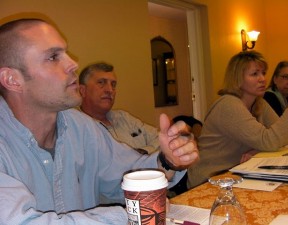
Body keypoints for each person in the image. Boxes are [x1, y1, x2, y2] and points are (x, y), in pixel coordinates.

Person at [0, 18, 199, 224]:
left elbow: (127, 177)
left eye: (65, 53)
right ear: (12, 80)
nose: (73, 64)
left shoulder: (81, 126)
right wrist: (130, 214)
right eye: (53, 57)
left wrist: (168, 160)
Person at [187, 50, 288, 189]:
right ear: (238, 79)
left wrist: (257, 150)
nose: (262, 79)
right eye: (254, 74)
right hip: (208, 179)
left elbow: (284, 137)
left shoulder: (259, 103)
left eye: (263, 73)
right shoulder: (228, 104)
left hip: (237, 173)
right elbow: (270, 140)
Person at [79, 62, 159, 155]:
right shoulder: (78, 128)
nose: (110, 90)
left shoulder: (123, 117)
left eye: (113, 84)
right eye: (101, 82)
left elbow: (160, 138)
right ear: (83, 91)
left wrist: (144, 151)